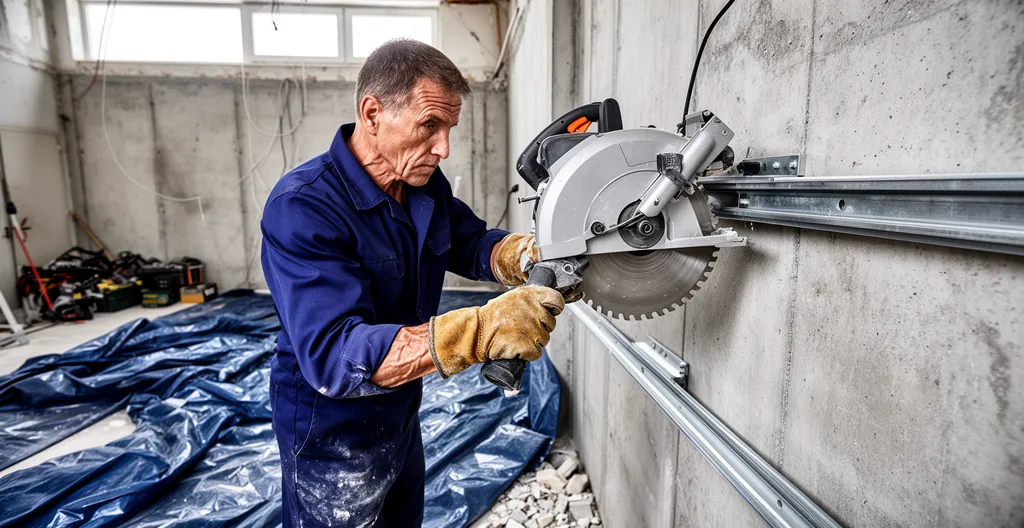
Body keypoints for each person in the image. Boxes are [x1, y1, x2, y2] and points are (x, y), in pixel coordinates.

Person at [261, 39, 569, 527]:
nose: (444, 147)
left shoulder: (422, 180)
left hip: (402, 403)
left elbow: (468, 242)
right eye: (430, 125)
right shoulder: (302, 207)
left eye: (449, 128)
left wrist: (526, 254)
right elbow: (335, 355)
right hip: (330, 427)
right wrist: (480, 329)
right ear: (372, 112)